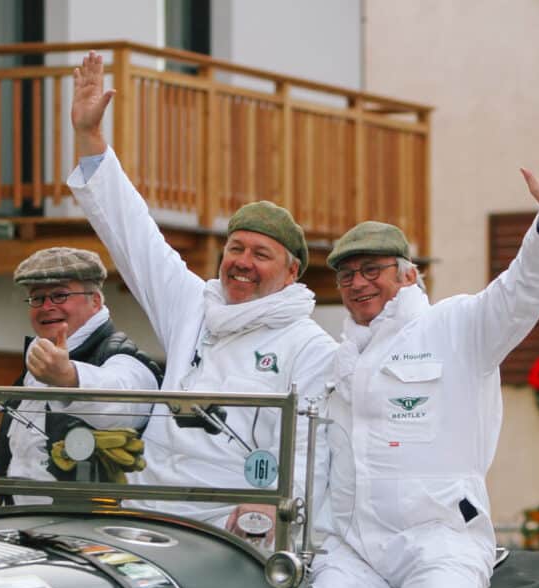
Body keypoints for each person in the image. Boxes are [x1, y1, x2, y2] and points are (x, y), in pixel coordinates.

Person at [310, 142, 539, 588]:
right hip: (353, 546)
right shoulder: (338, 359)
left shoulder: (457, 327)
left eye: (372, 269)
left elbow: (523, 291)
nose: (358, 283)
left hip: (439, 541)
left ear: (408, 276)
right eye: (346, 276)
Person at [66, 51, 337, 541]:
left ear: (292, 272)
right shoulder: (195, 305)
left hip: (228, 535)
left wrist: (272, 503)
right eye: (236, 248)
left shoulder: (311, 347)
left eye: (261, 254)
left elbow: (308, 451)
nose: (242, 263)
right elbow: (134, 236)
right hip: (145, 518)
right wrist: (89, 137)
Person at [0, 247, 162, 511]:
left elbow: (121, 401)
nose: (47, 307)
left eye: (60, 295)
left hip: (93, 533)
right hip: (19, 526)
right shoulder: (34, 368)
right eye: (37, 298)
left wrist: (69, 378)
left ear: (95, 301)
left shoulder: (124, 360)